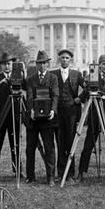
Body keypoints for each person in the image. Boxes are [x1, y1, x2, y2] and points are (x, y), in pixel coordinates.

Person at [78, 54, 105, 181]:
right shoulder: (93, 77)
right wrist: (78, 99)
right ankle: (81, 171)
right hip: (94, 115)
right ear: (99, 65)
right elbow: (86, 93)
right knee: (88, 144)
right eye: (103, 64)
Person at [0, 52, 25, 182]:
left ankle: (18, 171)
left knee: (16, 145)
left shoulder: (17, 77)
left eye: (9, 64)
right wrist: (1, 83)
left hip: (14, 116)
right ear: (1, 67)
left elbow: (26, 86)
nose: (7, 67)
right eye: (4, 65)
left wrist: (23, 75)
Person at [25, 50, 59, 186]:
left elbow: (55, 95)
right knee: (30, 148)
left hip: (47, 119)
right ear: (36, 64)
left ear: (48, 64)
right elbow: (29, 96)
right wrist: (31, 110)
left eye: (44, 63)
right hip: (33, 119)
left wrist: (53, 110)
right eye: (39, 63)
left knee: (49, 147)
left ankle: (50, 177)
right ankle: (30, 176)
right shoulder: (30, 79)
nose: (41, 66)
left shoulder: (53, 78)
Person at [51, 49, 84, 181]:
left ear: (71, 60)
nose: (64, 60)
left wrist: (79, 98)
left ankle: (70, 172)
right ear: (59, 59)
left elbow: (88, 88)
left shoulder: (77, 74)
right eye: (62, 58)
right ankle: (60, 172)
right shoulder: (53, 74)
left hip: (71, 113)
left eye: (67, 58)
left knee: (71, 142)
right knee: (60, 142)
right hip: (58, 112)